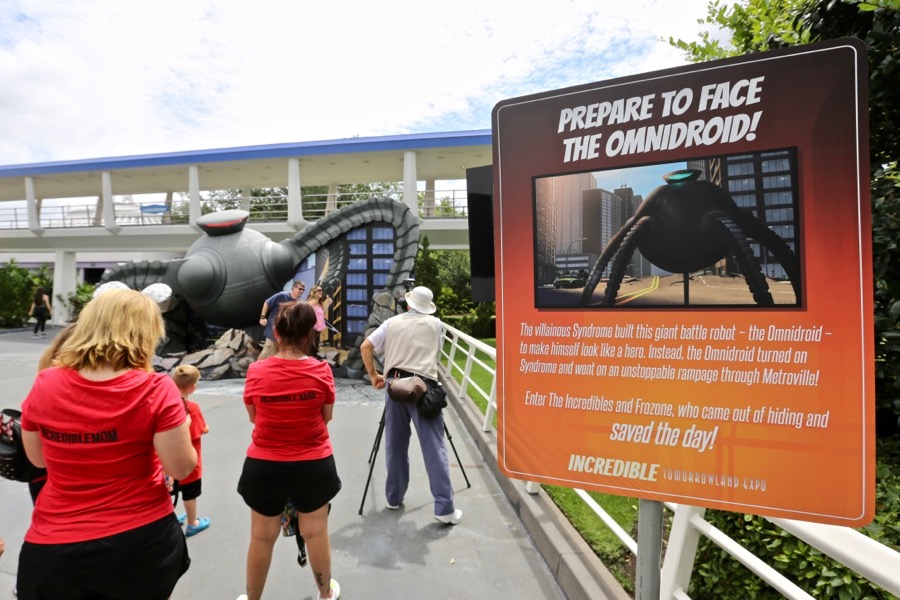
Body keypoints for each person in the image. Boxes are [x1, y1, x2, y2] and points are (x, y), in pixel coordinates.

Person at [17, 288, 196, 600]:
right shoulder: (155, 388)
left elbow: (38, 460)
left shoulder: (47, 382)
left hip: (54, 544)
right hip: (139, 540)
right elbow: (180, 467)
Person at [237, 300, 341, 600]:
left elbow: (254, 417)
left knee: (260, 536)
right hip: (313, 463)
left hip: (264, 464)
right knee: (316, 533)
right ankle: (325, 594)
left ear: (277, 334)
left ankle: (252, 598)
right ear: (309, 335)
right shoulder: (322, 371)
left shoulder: (256, 372)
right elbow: (326, 416)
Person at [360, 285, 462, 525]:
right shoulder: (435, 324)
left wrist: (374, 375)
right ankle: (444, 508)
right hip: (424, 388)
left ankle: (393, 497)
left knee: (395, 445)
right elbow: (435, 351)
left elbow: (366, 346)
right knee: (434, 447)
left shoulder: (391, 323)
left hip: (395, 386)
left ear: (408, 303)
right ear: (427, 308)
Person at [170, 365, 211, 537]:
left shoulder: (169, 405)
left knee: (170, 492)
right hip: (189, 462)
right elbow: (201, 429)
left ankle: (171, 519)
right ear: (193, 387)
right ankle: (193, 523)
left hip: (169, 462)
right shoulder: (192, 408)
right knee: (190, 494)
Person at [257, 280, 305, 361]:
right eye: (300, 289)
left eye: (303, 290)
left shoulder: (298, 303)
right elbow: (267, 302)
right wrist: (262, 317)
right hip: (273, 332)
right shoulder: (282, 295)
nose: (302, 291)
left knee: (277, 356)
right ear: (293, 288)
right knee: (266, 354)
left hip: (285, 334)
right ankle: (255, 371)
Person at [305, 284, 333, 357]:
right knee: (312, 347)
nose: (321, 292)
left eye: (321, 290)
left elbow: (322, 313)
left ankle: (312, 361)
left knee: (314, 347)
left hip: (316, 329)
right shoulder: (314, 301)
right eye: (319, 290)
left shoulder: (318, 302)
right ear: (314, 292)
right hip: (312, 328)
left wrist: (328, 303)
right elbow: (304, 308)